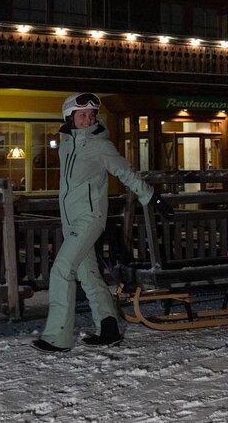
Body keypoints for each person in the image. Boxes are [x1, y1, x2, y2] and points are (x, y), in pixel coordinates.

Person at [33, 92, 174, 353]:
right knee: (88, 274)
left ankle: (57, 337)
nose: (88, 120)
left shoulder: (100, 145)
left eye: (91, 115)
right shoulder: (65, 142)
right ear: (69, 117)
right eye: (82, 115)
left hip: (89, 217)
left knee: (62, 269)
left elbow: (125, 171)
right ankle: (109, 328)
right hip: (70, 220)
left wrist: (151, 197)